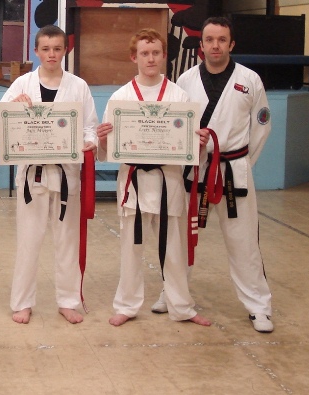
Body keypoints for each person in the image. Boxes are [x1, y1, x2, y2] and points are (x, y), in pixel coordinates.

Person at [153, 17, 274, 333]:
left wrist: (243, 162)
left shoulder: (249, 81)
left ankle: (259, 307)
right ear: (202, 44)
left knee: (244, 241)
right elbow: (176, 124)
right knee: (182, 237)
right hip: (195, 169)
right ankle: (173, 293)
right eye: (209, 40)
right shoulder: (186, 80)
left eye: (222, 40)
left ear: (231, 44)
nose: (215, 45)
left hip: (234, 171)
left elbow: (261, 126)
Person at [96, 28, 211, 327]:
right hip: (133, 180)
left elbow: (190, 145)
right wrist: (104, 139)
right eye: (144, 53)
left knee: (174, 248)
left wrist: (196, 142)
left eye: (156, 53)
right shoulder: (120, 97)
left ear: (164, 56)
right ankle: (126, 305)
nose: (150, 58)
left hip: (168, 180)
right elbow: (108, 150)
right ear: (134, 57)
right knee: (131, 249)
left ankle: (182, 306)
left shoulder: (178, 95)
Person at [0, 25, 98, 325]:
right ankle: (22, 302)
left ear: (65, 51)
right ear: (36, 51)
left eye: (57, 48)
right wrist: (11, 106)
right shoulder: (22, 84)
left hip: (66, 175)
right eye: (46, 49)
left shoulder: (78, 86)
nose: (51, 54)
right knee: (29, 241)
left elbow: (89, 125)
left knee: (67, 241)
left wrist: (91, 142)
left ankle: (68, 301)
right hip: (32, 176)